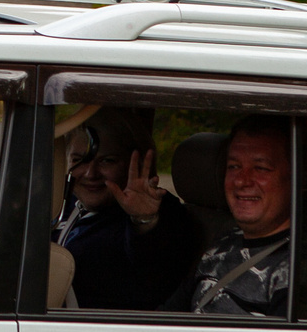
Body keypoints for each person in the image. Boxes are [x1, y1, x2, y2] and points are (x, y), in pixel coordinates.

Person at [56, 107, 201, 310]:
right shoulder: (65, 201)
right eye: (79, 160)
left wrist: (144, 221)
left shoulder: (158, 209)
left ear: (137, 163)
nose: (91, 173)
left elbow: (154, 266)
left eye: (108, 161)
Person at [171, 114, 294, 317]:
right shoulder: (223, 242)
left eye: (261, 168)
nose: (241, 181)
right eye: (234, 167)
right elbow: (168, 317)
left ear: (294, 179)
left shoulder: (300, 270)